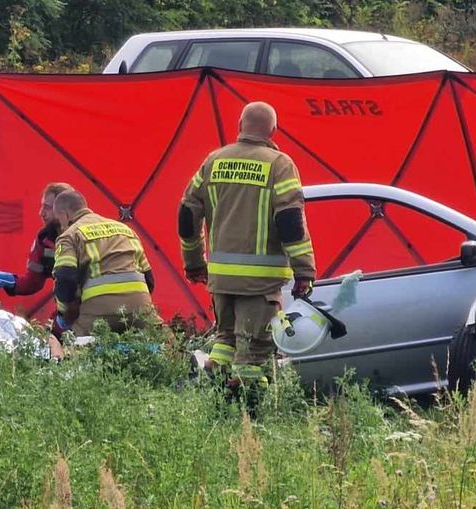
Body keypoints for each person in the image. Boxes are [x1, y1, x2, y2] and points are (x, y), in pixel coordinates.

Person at [178, 101, 317, 390]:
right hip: (260, 282)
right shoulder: (279, 165)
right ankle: (247, 412)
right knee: (254, 354)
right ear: (273, 131)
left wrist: (194, 262)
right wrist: (304, 271)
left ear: (240, 126)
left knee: (225, 340)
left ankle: (213, 385)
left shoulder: (213, 161)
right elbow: (290, 221)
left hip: (221, 278)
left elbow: (187, 214)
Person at [51, 190, 159, 336]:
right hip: (140, 309)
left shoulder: (69, 236)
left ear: (65, 214)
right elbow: (149, 279)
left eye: (58, 220)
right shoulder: (126, 230)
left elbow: (65, 278)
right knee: (164, 343)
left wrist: (64, 315)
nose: (61, 226)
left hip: (97, 313)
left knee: (77, 346)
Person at [0, 182, 76, 299]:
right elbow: (33, 282)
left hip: (93, 302)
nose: (41, 213)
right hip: (70, 304)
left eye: (47, 208)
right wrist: (10, 281)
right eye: (42, 206)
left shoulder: (82, 234)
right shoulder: (44, 240)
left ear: (64, 210)